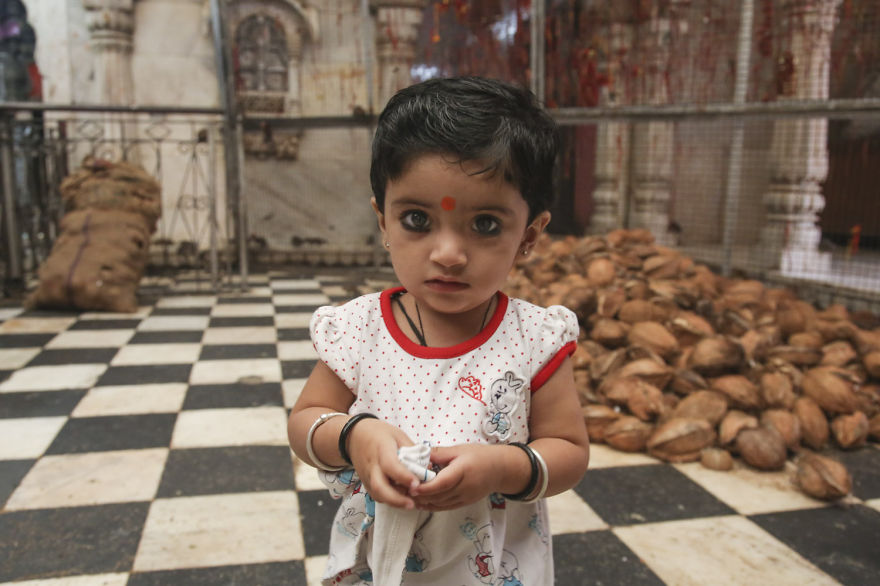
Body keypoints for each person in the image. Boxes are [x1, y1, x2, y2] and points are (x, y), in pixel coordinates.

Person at [288, 76, 590, 585]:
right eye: (416, 219)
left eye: (486, 225)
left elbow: (569, 450)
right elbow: (305, 421)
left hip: (492, 566)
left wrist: (502, 467)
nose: (448, 253)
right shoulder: (359, 330)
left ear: (530, 236)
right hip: (380, 560)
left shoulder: (535, 340)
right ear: (382, 221)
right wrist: (353, 435)